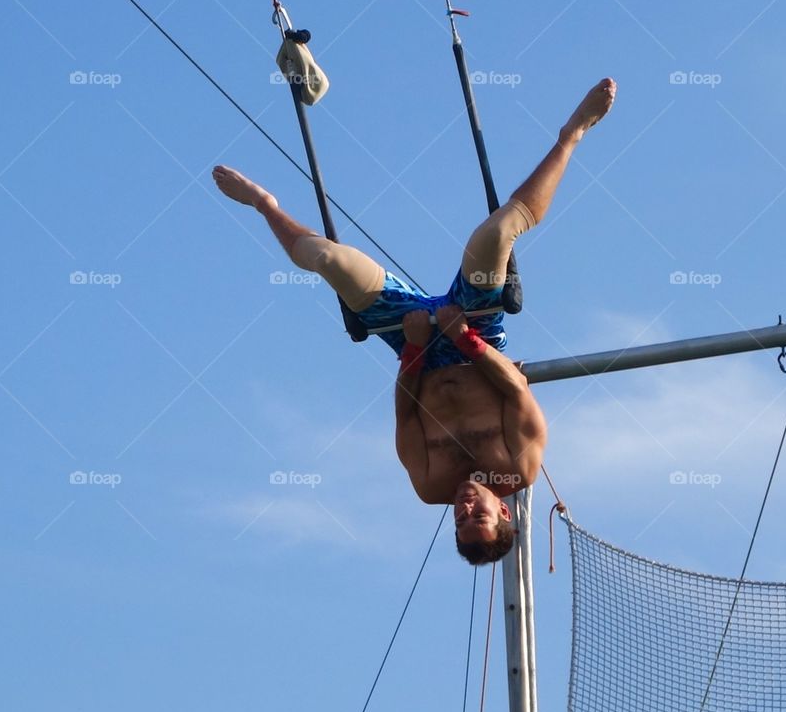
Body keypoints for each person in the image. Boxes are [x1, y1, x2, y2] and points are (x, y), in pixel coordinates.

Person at [213, 78, 616, 565]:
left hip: (414, 342)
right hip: (476, 333)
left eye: (461, 520)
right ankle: (571, 134)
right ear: (504, 513)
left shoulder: (430, 483)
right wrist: (463, 338)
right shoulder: (519, 466)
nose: (466, 509)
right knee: (496, 233)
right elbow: (514, 388)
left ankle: (265, 205)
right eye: (479, 517)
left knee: (331, 263)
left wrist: (416, 348)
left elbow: (406, 413)